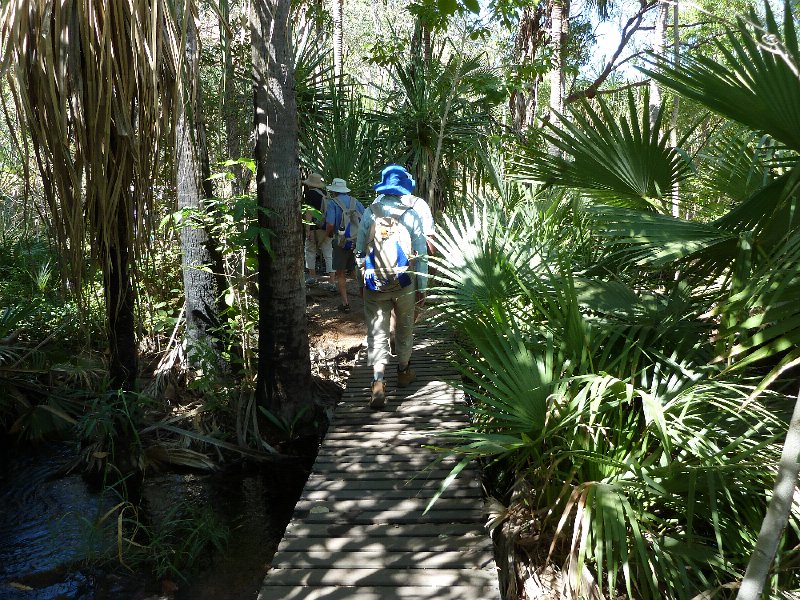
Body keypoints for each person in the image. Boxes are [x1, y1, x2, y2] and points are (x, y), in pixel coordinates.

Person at [355, 165, 428, 409]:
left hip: (375, 283)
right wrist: (422, 288)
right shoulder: (411, 214)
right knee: (405, 327)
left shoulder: (370, 212)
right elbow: (421, 257)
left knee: (377, 331)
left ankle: (377, 382)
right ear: (403, 188)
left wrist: (362, 280)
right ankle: (404, 371)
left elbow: (358, 251)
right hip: (405, 283)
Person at [325, 177, 365, 312]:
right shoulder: (356, 202)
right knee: (359, 270)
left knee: (340, 273)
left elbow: (330, 224)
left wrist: (328, 235)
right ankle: (367, 299)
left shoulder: (332, 203)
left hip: (341, 242)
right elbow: (366, 219)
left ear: (334, 191)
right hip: (357, 241)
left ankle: (345, 303)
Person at [302, 172, 332, 285]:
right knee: (328, 254)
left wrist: (307, 229)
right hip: (327, 227)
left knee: (310, 251)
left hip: (314, 228)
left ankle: (312, 278)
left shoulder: (309, 195)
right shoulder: (326, 194)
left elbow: (309, 213)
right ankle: (332, 282)